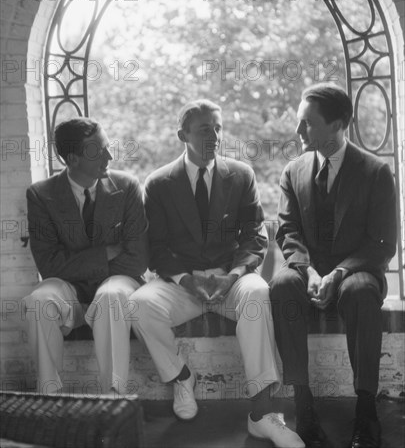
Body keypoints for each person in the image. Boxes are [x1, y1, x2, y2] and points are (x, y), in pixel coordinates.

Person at [129, 99, 305, 448]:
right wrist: (186, 280)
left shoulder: (240, 175)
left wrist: (234, 273)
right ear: (183, 134)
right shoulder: (159, 183)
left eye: (218, 128)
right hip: (182, 283)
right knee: (138, 305)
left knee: (257, 294)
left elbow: (255, 234)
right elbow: (157, 246)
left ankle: (261, 414)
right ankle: (182, 377)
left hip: (231, 279)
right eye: (204, 129)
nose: (215, 136)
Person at [270, 83, 397, 448]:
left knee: (361, 291)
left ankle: (366, 410)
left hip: (354, 272)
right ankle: (303, 402)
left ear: (338, 124)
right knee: (281, 285)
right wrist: (308, 272)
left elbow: (382, 242)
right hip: (307, 271)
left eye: (307, 123)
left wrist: (339, 272)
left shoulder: (375, 173)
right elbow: (288, 231)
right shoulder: (293, 171)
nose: (298, 132)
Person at [23, 118, 149, 395]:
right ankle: (49, 397)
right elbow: (49, 265)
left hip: (118, 281)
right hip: (71, 290)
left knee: (111, 297)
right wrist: (106, 251)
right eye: (98, 151)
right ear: (73, 159)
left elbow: (137, 260)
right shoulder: (41, 195)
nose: (109, 156)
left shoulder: (127, 187)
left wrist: (77, 261)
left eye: (106, 147)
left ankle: (114, 397)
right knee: (39, 301)